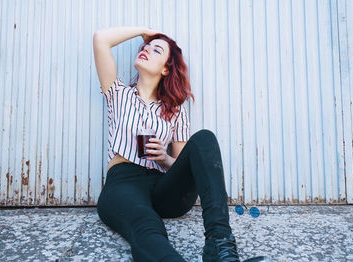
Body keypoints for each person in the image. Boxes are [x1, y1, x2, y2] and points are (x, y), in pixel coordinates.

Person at [94, 26, 269, 262]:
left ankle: (221, 249)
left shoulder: (174, 111)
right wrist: (144, 31)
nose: (146, 49)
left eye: (156, 50)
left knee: (204, 138)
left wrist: (164, 158)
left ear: (166, 68)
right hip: (124, 182)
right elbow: (100, 39)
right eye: (145, 47)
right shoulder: (118, 93)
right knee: (146, 225)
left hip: (162, 186)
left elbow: (183, 163)